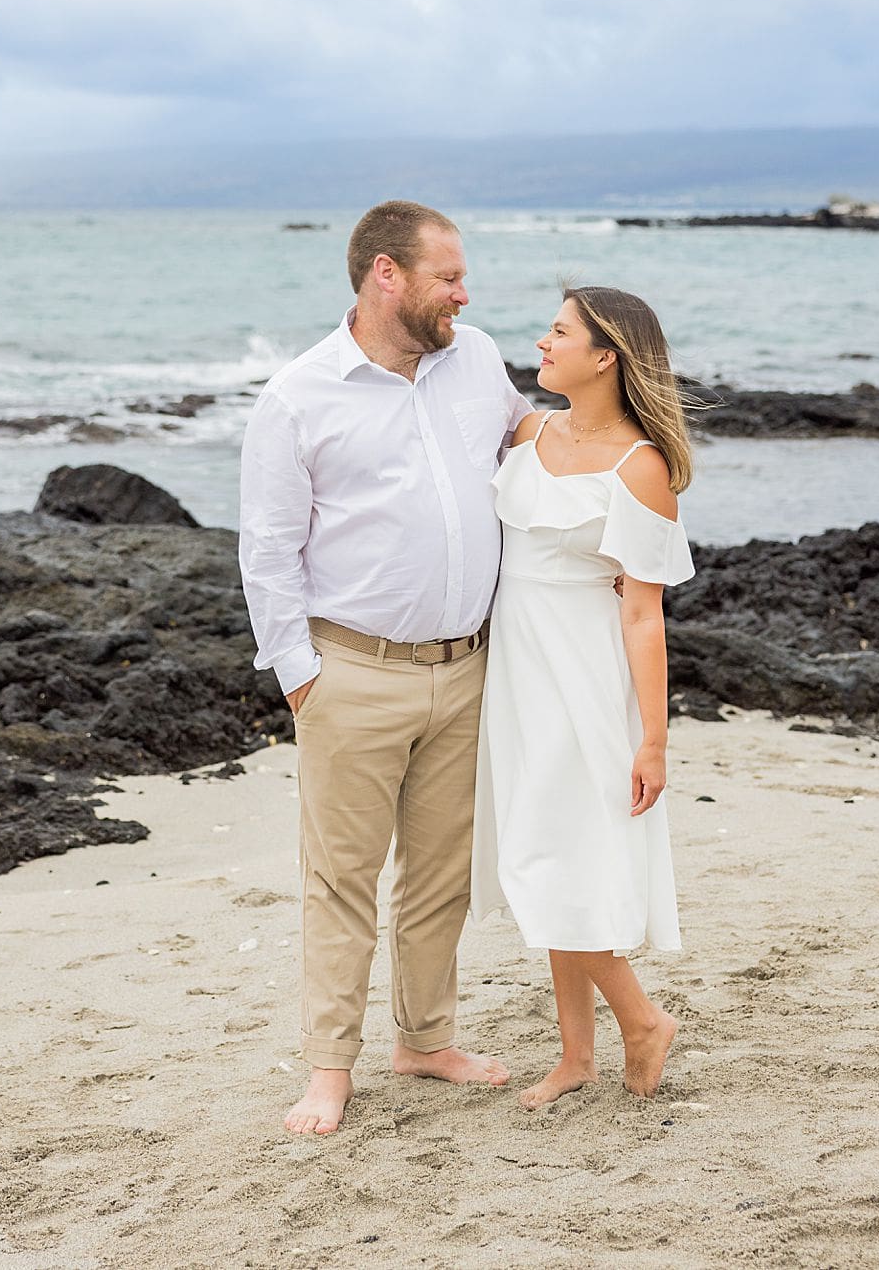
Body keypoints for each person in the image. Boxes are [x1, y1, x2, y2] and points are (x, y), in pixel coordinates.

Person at [238, 200, 532, 1136]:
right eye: (447, 275)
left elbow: (524, 434)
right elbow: (268, 550)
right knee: (343, 881)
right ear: (385, 275)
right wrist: (299, 672)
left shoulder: (476, 357)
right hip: (351, 673)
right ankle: (330, 1067)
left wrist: (622, 439)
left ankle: (425, 1038)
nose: (464, 290)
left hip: (468, 666)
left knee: (441, 873)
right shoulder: (298, 398)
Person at [470, 285, 696, 1109]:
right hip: (514, 676)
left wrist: (654, 740)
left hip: (583, 678)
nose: (542, 341)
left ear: (606, 355)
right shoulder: (529, 430)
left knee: (550, 855)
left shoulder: (642, 467)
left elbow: (643, 612)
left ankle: (642, 1020)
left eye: (559, 331)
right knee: (549, 849)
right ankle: (576, 1055)